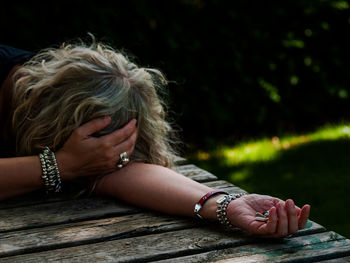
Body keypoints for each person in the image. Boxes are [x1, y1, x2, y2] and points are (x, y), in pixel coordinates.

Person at [0, 38, 310, 238]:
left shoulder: (44, 94)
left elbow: (119, 170)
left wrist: (226, 205)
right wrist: (60, 165)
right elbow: (82, 166)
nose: (99, 165)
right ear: (47, 129)